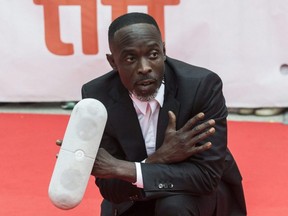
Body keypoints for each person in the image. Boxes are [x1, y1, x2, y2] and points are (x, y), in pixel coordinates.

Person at [79, 12, 246, 215]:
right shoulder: (97, 97)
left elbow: (206, 176)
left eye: (153, 55)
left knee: (173, 207)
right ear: (113, 62)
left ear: (164, 51)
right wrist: (160, 158)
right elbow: (111, 189)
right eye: (130, 58)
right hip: (133, 198)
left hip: (193, 196)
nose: (145, 68)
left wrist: (127, 169)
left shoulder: (201, 87)